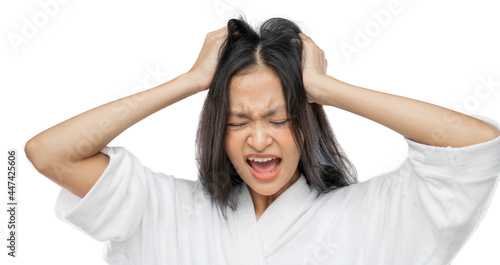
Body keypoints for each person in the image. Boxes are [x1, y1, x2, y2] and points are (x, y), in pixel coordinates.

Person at [25, 18, 500, 265]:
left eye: (279, 118)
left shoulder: (374, 215)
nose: (258, 139)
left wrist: (326, 90)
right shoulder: (161, 209)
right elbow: (49, 152)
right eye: (237, 121)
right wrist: (190, 82)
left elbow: (473, 144)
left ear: (308, 120)